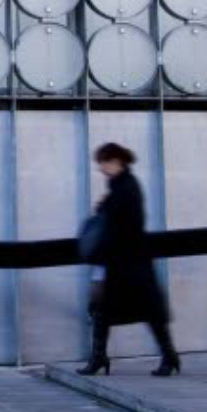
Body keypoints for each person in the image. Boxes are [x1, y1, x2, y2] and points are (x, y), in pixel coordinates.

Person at [78, 142, 180, 376]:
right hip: (126, 262)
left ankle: (167, 356)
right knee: (122, 311)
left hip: (128, 262)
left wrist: (105, 210)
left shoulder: (125, 188)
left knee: (139, 311)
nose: (101, 168)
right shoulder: (122, 186)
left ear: (116, 161)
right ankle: (166, 356)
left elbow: (124, 225)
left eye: (104, 162)